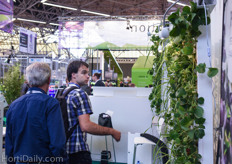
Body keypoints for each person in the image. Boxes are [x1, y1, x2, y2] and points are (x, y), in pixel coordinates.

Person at [5, 62, 67, 164]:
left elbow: (9, 144)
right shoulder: (51, 104)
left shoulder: (13, 106)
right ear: (49, 80)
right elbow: (57, 144)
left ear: (28, 82)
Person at [65, 60, 121, 164]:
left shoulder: (62, 93)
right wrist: (112, 131)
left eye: (88, 73)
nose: (88, 76)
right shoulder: (80, 94)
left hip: (63, 150)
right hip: (78, 152)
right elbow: (86, 126)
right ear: (73, 75)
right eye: (84, 73)